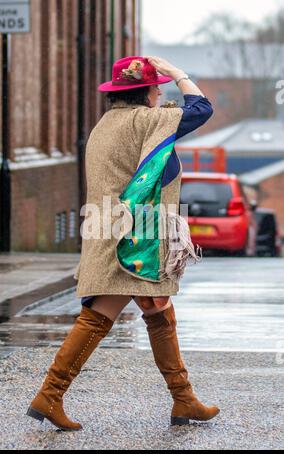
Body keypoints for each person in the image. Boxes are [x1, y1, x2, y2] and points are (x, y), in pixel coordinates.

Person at [27, 56, 220, 431]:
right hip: (135, 235)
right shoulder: (146, 121)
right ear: (145, 92)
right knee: (107, 316)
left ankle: (184, 400)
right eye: (156, 87)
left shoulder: (106, 125)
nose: (160, 92)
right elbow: (202, 108)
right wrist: (179, 73)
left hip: (109, 227)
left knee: (152, 308)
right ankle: (50, 396)